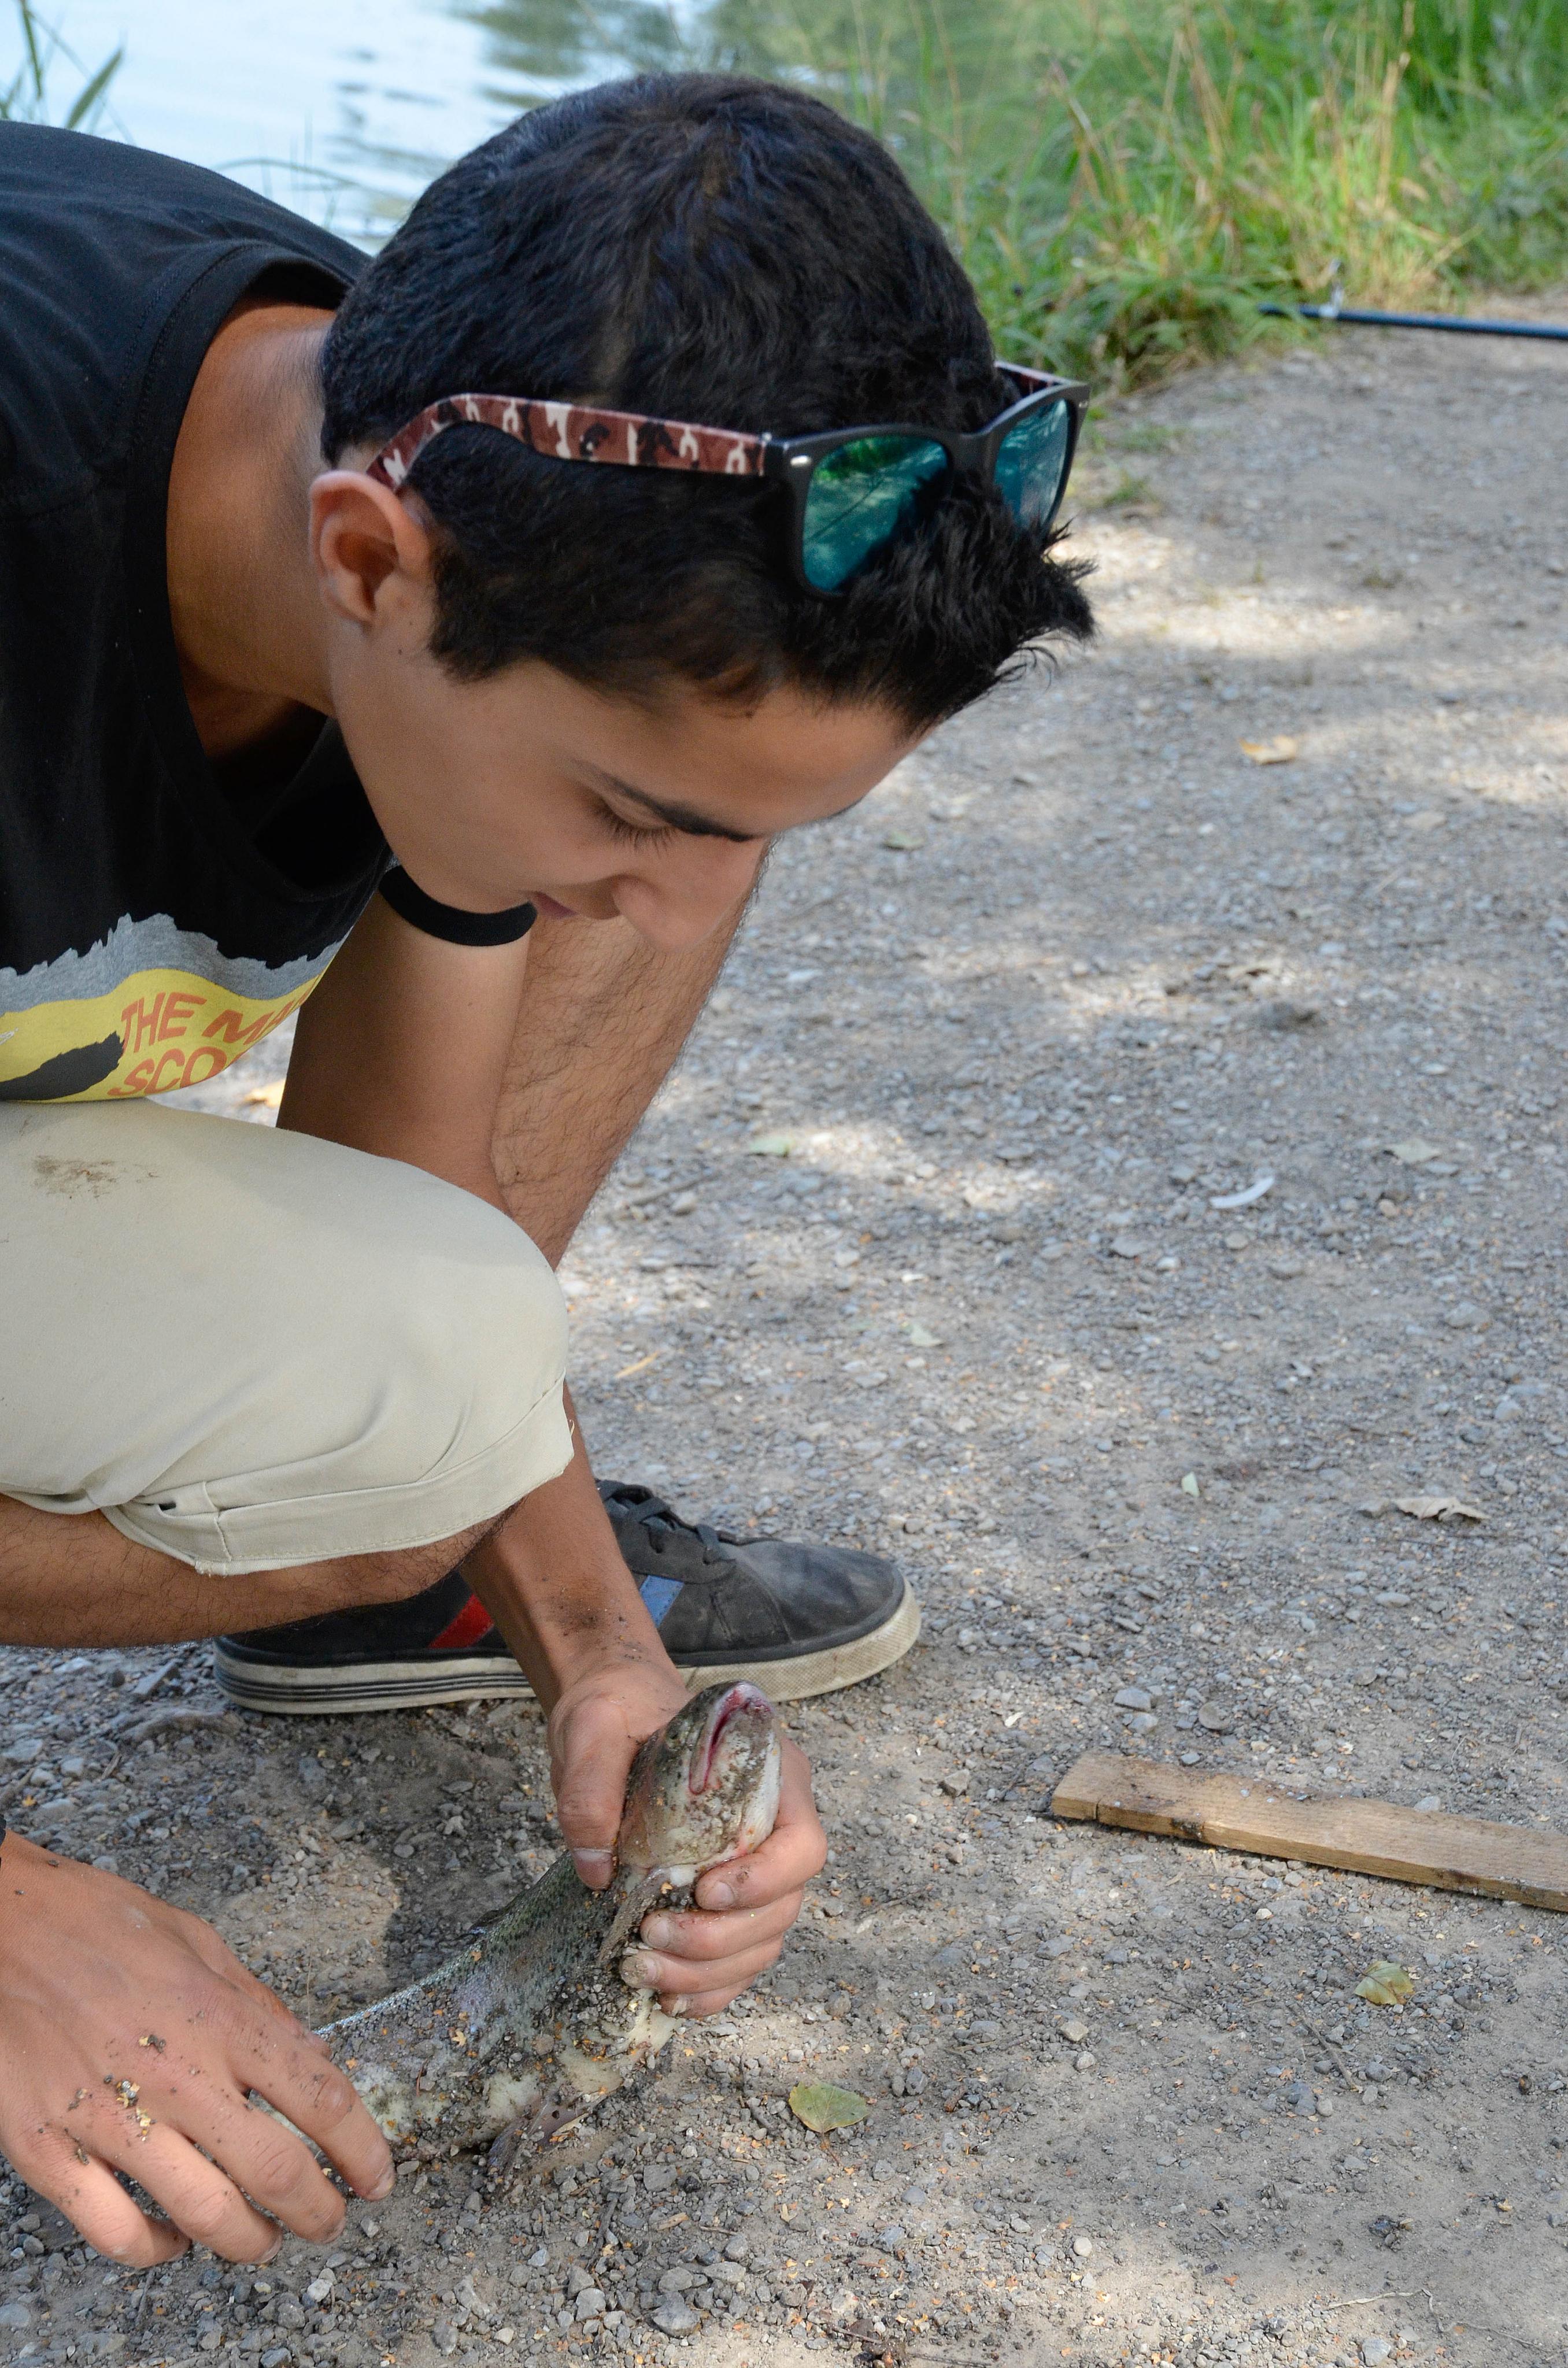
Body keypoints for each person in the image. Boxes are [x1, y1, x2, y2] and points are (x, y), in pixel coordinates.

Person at [0, 73, 1093, 2267]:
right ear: (362, 565)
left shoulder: (482, 514)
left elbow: (412, 1226)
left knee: (427, 1384)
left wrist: (601, 1659)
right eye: (640, 813)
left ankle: (401, 1594)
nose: (686, 917)